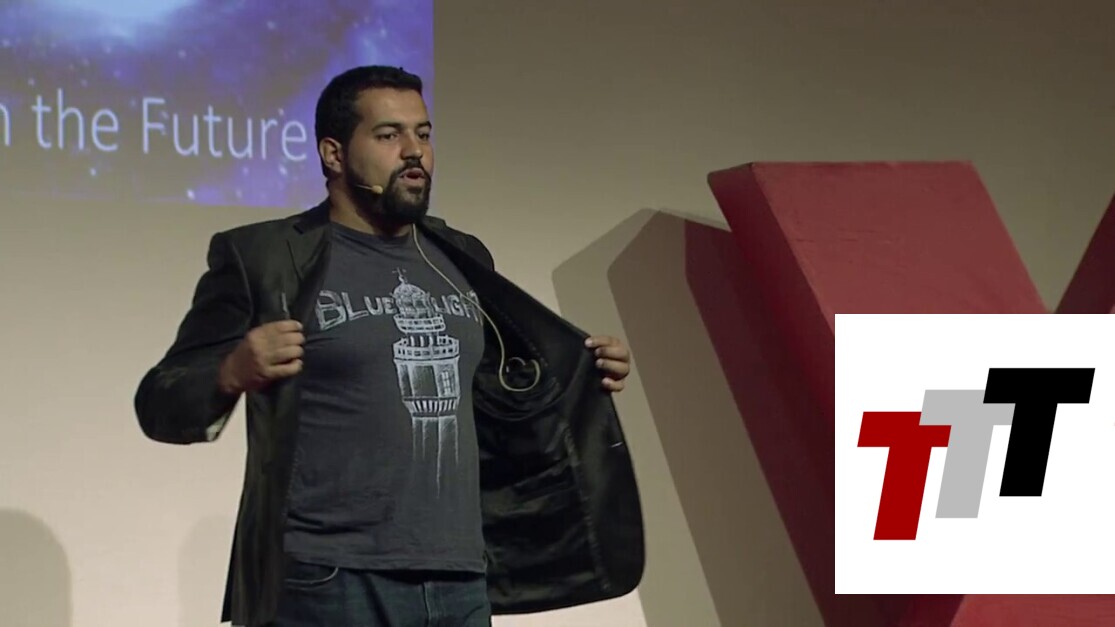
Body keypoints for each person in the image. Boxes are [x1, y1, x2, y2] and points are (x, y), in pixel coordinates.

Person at [134, 65, 644, 627]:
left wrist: (580, 371)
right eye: (388, 135)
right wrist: (231, 371)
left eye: (423, 134)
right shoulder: (264, 257)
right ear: (333, 154)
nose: (414, 151)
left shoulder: (461, 256)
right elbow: (160, 401)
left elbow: (500, 396)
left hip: (460, 579)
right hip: (327, 579)